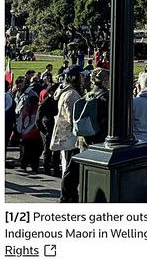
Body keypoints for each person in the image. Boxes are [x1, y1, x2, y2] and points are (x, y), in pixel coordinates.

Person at [50, 66, 83, 202]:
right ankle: (67, 196)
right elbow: (72, 117)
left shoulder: (66, 92)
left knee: (68, 166)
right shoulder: (71, 95)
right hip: (71, 135)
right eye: (80, 75)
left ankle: (70, 194)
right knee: (71, 169)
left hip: (67, 135)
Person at [79, 69, 109, 148]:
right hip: (100, 139)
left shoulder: (87, 95)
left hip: (85, 137)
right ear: (105, 81)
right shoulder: (106, 97)